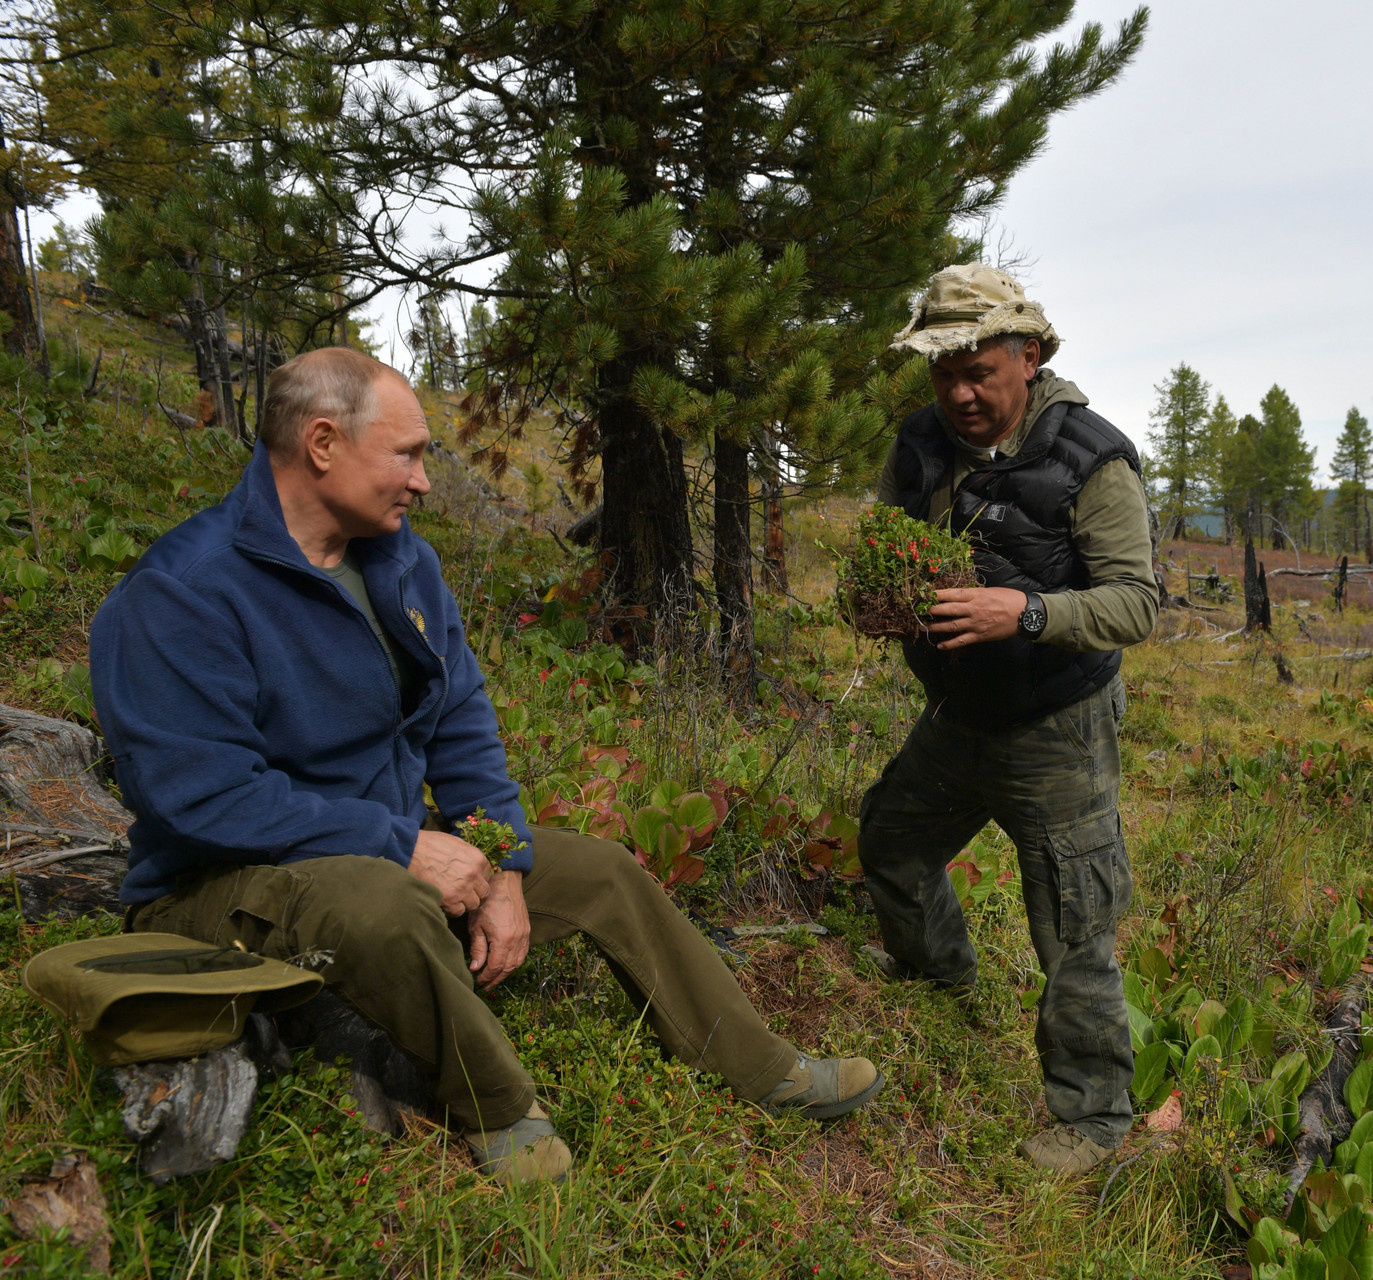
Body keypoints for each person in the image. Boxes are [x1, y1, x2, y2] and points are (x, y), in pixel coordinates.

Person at [90, 347, 881, 1185]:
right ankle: (499, 1110)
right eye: (408, 454)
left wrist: (499, 863)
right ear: (322, 443)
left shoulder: (400, 563)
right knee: (384, 902)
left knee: (601, 870)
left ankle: (762, 1067)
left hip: (374, 851)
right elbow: (198, 797)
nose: (424, 481)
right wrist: (402, 845)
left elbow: (460, 725)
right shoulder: (183, 592)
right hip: (218, 886)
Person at [860, 264, 1158, 1175]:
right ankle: (937, 976)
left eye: (977, 371)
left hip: (1057, 727)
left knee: (1072, 923)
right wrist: (878, 599)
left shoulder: (1092, 460)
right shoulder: (920, 443)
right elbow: (884, 541)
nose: (958, 394)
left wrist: (1021, 612)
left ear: (1028, 356)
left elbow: (1137, 605)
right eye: (941, 373)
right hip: (957, 714)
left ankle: (1096, 1122)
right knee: (892, 839)